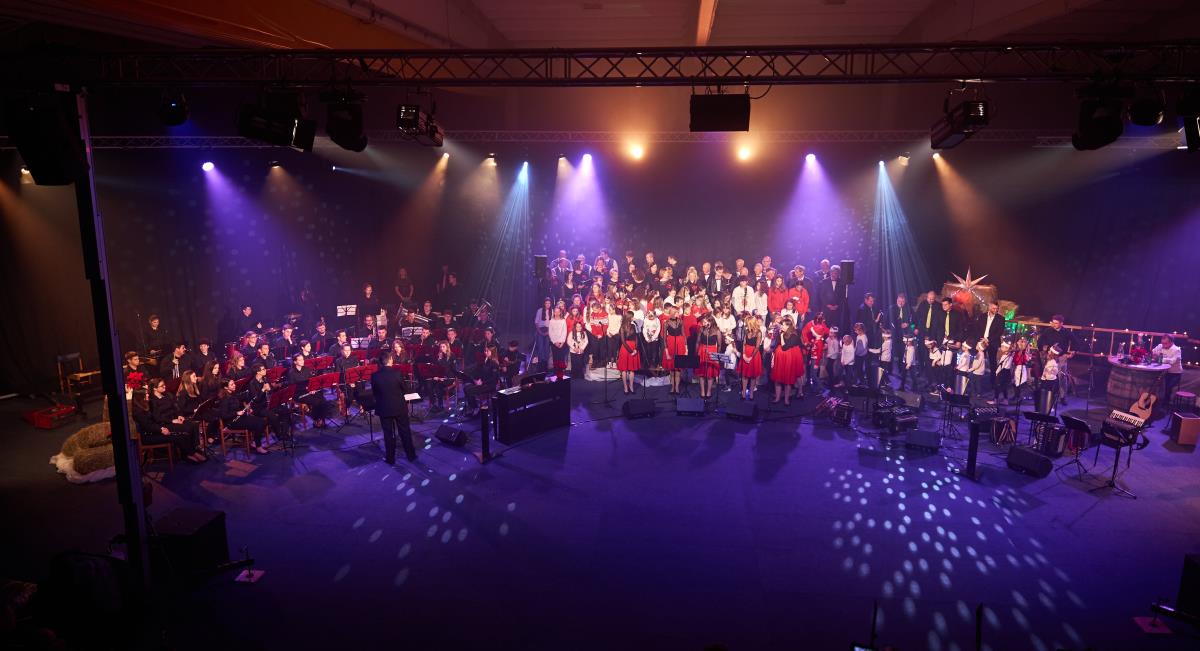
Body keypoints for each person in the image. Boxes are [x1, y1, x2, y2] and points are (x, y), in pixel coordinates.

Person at [132, 383, 205, 464]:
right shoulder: (138, 412)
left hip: (154, 431)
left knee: (184, 434)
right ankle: (191, 454)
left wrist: (161, 428)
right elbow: (147, 426)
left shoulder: (145, 406)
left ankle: (190, 454)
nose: (148, 395)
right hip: (148, 436)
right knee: (179, 437)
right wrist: (161, 429)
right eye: (146, 394)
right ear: (140, 397)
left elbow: (153, 421)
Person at [372, 351, 417, 464]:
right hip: (399, 407)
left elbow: (375, 393)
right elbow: (404, 389)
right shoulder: (397, 373)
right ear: (390, 360)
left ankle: (390, 458)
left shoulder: (375, 376)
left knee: (388, 434)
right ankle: (411, 455)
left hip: (384, 408)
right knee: (404, 431)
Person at [217, 378, 269, 454]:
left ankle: (255, 442)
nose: (234, 385)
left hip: (239, 418)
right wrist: (236, 413)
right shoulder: (224, 399)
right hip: (232, 422)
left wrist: (246, 408)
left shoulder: (233, 394)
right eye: (231, 385)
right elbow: (223, 415)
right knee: (259, 423)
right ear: (225, 387)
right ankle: (258, 447)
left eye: (234, 383)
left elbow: (237, 405)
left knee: (263, 421)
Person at [287, 353, 334, 427]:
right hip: (299, 394)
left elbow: (312, 381)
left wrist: (313, 388)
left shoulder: (306, 369)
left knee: (322, 399)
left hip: (309, 391)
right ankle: (316, 420)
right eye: (300, 360)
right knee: (315, 402)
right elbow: (292, 388)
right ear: (295, 362)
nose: (302, 361)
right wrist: (306, 388)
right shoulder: (291, 373)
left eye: (302, 359)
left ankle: (322, 418)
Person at [770, 318, 804, 405]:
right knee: (778, 379)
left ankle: (786, 400)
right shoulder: (780, 333)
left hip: (788, 360)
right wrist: (773, 357)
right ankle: (777, 398)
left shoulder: (794, 336)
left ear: (788, 326)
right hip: (780, 360)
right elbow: (776, 346)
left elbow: (785, 347)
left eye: (783, 325)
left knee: (787, 380)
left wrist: (781, 336)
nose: (781, 326)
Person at [662, 305, 688, 395]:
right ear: (673, 313)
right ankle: (672, 387)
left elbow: (684, 335)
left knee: (678, 369)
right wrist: (666, 352)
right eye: (677, 312)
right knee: (672, 369)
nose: (678, 314)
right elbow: (664, 339)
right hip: (670, 344)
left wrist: (686, 349)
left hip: (679, 344)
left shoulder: (680, 321)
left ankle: (677, 387)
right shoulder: (666, 323)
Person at [695, 315, 723, 399]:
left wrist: (717, 356)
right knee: (702, 372)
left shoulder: (717, 330)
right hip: (702, 350)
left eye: (705, 322)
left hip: (712, 351)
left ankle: (709, 391)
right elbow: (697, 342)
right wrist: (696, 353)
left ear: (710, 322)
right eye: (703, 321)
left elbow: (719, 345)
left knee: (710, 373)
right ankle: (702, 391)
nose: (703, 323)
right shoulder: (701, 329)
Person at [738, 315, 763, 400]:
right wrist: (744, 354)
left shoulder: (759, 332)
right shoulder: (746, 331)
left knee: (753, 376)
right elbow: (744, 343)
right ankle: (744, 392)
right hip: (746, 352)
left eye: (747, 323)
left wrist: (750, 357)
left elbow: (757, 347)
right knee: (744, 375)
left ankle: (751, 392)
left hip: (754, 355)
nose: (746, 325)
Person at [1153, 335, 1184, 406]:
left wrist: (1160, 359)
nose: (1163, 345)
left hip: (1174, 373)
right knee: (1156, 384)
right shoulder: (1160, 346)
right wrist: (1155, 355)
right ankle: (1156, 401)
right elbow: (1153, 352)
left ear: (1171, 342)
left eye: (1165, 343)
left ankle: (1166, 404)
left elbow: (1172, 361)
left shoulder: (1177, 350)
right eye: (1162, 343)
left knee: (1168, 387)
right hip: (1163, 371)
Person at [817, 264, 849, 331]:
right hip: (826, 309)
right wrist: (828, 305)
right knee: (826, 326)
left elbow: (843, 296)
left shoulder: (842, 282)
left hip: (837, 309)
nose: (835, 275)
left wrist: (837, 305)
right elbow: (822, 295)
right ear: (831, 272)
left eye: (837, 273)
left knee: (836, 326)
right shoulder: (824, 281)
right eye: (834, 273)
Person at [616, 312, 641, 394]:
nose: (633, 318)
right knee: (624, 370)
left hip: (633, 347)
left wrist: (636, 349)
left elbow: (636, 338)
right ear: (629, 317)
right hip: (626, 348)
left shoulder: (633, 326)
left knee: (632, 369)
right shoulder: (622, 327)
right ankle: (625, 388)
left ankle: (631, 386)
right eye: (632, 317)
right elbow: (623, 341)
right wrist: (631, 351)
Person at [991, 340, 1014, 405]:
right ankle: (1006, 400)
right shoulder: (1010, 356)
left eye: (1002, 347)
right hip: (1007, 372)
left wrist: (996, 373)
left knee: (997, 386)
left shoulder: (1004, 356)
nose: (1001, 348)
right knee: (1004, 387)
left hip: (1002, 372)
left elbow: (1001, 366)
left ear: (1006, 348)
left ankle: (995, 400)